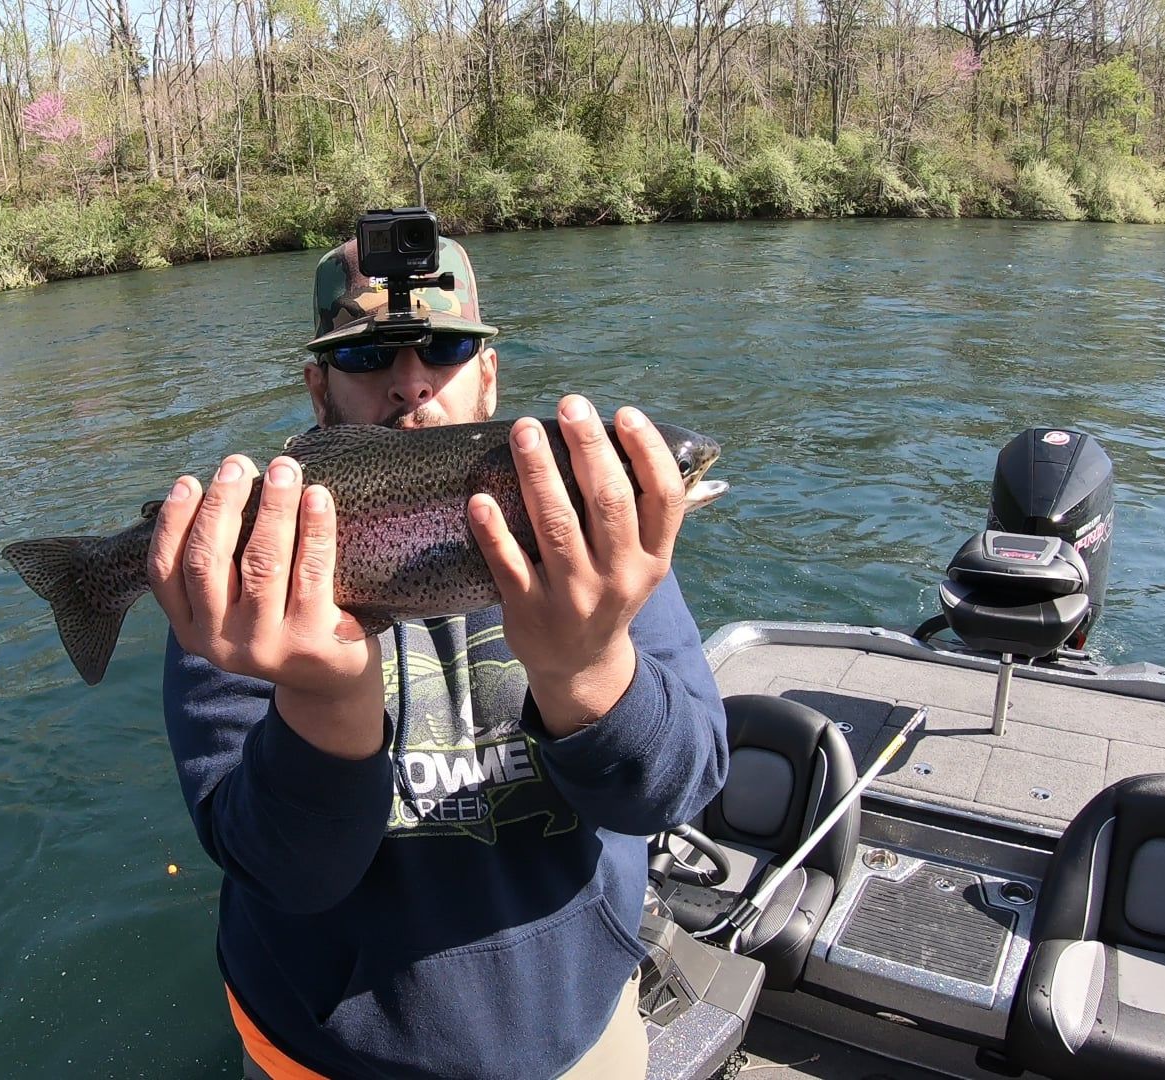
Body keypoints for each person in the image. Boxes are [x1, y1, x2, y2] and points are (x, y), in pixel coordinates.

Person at [144, 233, 729, 1079]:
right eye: (367, 352)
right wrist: (325, 705)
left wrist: (590, 668)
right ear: (318, 388)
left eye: (448, 349)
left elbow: (674, 788)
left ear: (489, 376)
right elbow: (282, 871)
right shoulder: (251, 574)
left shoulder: (607, 558)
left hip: (580, 1031)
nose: (411, 379)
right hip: (322, 1055)